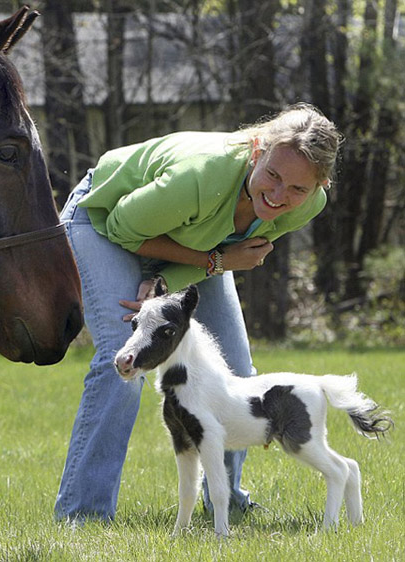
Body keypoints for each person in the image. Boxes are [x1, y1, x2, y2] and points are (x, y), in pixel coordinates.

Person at [54, 103, 342, 523]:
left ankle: (226, 503)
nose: (280, 196)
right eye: (273, 176)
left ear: (320, 185)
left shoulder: (308, 205)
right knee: (124, 361)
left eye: (298, 189)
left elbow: (227, 253)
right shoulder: (201, 177)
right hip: (103, 222)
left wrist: (177, 275)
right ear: (257, 151)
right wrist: (213, 263)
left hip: (196, 242)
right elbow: (121, 227)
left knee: (238, 371)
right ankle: (84, 514)